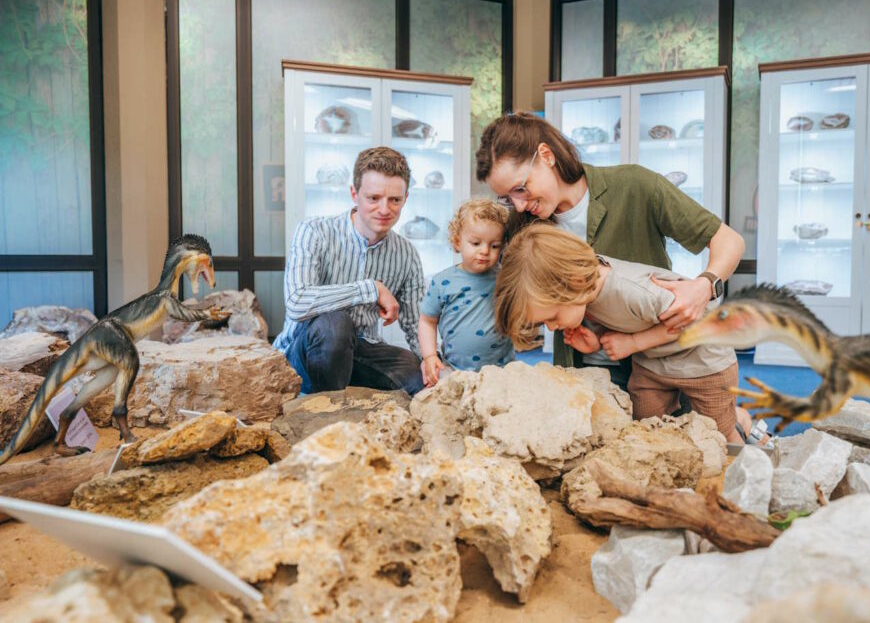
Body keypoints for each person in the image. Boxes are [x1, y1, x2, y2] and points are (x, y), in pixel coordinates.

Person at [476, 112, 767, 443]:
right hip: (595, 362)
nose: (518, 204)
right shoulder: (525, 227)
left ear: (546, 156)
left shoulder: (634, 185)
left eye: (520, 188)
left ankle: (741, 420)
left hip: (670, 353)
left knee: (707, 434)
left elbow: (729, 241)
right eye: (507, 197)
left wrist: (703, 286)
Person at [494, 224, 746, 444]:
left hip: (705, 363)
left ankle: (747, 442)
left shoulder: (634, 291)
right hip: (654, 367)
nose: (551, 327)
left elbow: (695, 320)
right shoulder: (585, 290)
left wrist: (633, 343)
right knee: (646, 427)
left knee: (721, 432)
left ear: (575, 282)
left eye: (552, 317)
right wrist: (598, 342)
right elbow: (628, 321)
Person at [272, 147, 425, 395]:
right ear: (354, 194)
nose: (385, 210)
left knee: (413, 369)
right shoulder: (314, 231)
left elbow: (415, 322)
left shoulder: (407, 254)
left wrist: (429, 359)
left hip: (361, 351)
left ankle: (350, 394)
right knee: (335, 325)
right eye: (373, 198)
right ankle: (326, 409)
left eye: (394, 200)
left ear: (405, 198)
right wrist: (370, 289)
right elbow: (297, 302)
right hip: (304, 354)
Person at [418, 199, 515, 387]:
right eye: (476, 243)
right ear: (457, 242)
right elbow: (427, 321)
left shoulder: (505, 278)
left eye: (494, 245)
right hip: (455, 369)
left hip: (501, 370)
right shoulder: (443, 282)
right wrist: (429, 355)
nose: (485, 251)